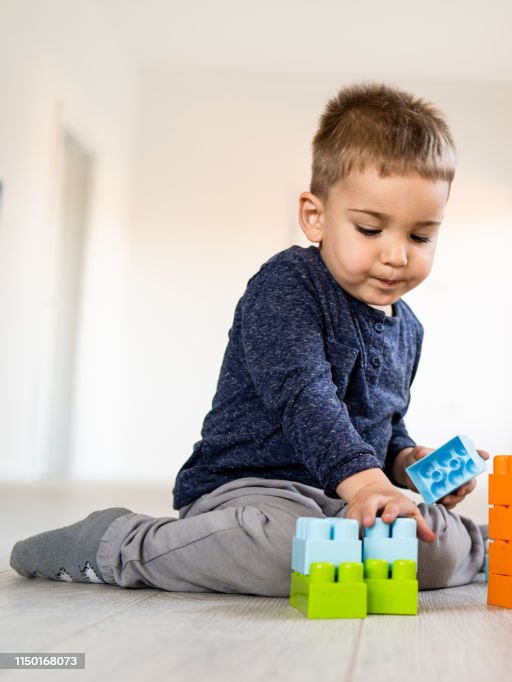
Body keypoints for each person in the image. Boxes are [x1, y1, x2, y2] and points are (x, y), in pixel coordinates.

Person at [9, 83, 487, 596]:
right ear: (315, 216)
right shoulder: (287, 285)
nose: (397, 255)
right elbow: (305, 399)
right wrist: (368, 482)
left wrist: (405, 464)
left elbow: (381, 424)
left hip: (341, 500)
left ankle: (480, 546)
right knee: (284, 551)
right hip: (252, 491)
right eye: (371, 229)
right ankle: (120, 542)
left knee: (424, 548)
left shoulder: (407, 327)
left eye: (420, 237)